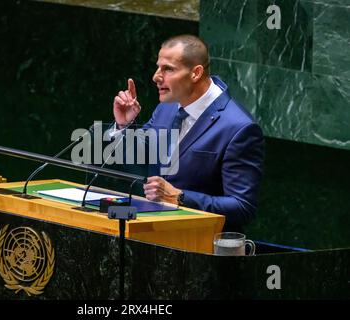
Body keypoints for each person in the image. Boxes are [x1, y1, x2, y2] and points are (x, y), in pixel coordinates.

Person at [113, 34, 264, 232]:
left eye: (168, 69)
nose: (156, 76)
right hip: (152, 237)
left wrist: (180, 197)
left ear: (196, 73)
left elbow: (243, 207)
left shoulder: (239, 128)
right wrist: (124, 125)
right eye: (159, 67)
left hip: (199, 246)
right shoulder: (166, 108)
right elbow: (141, 154)